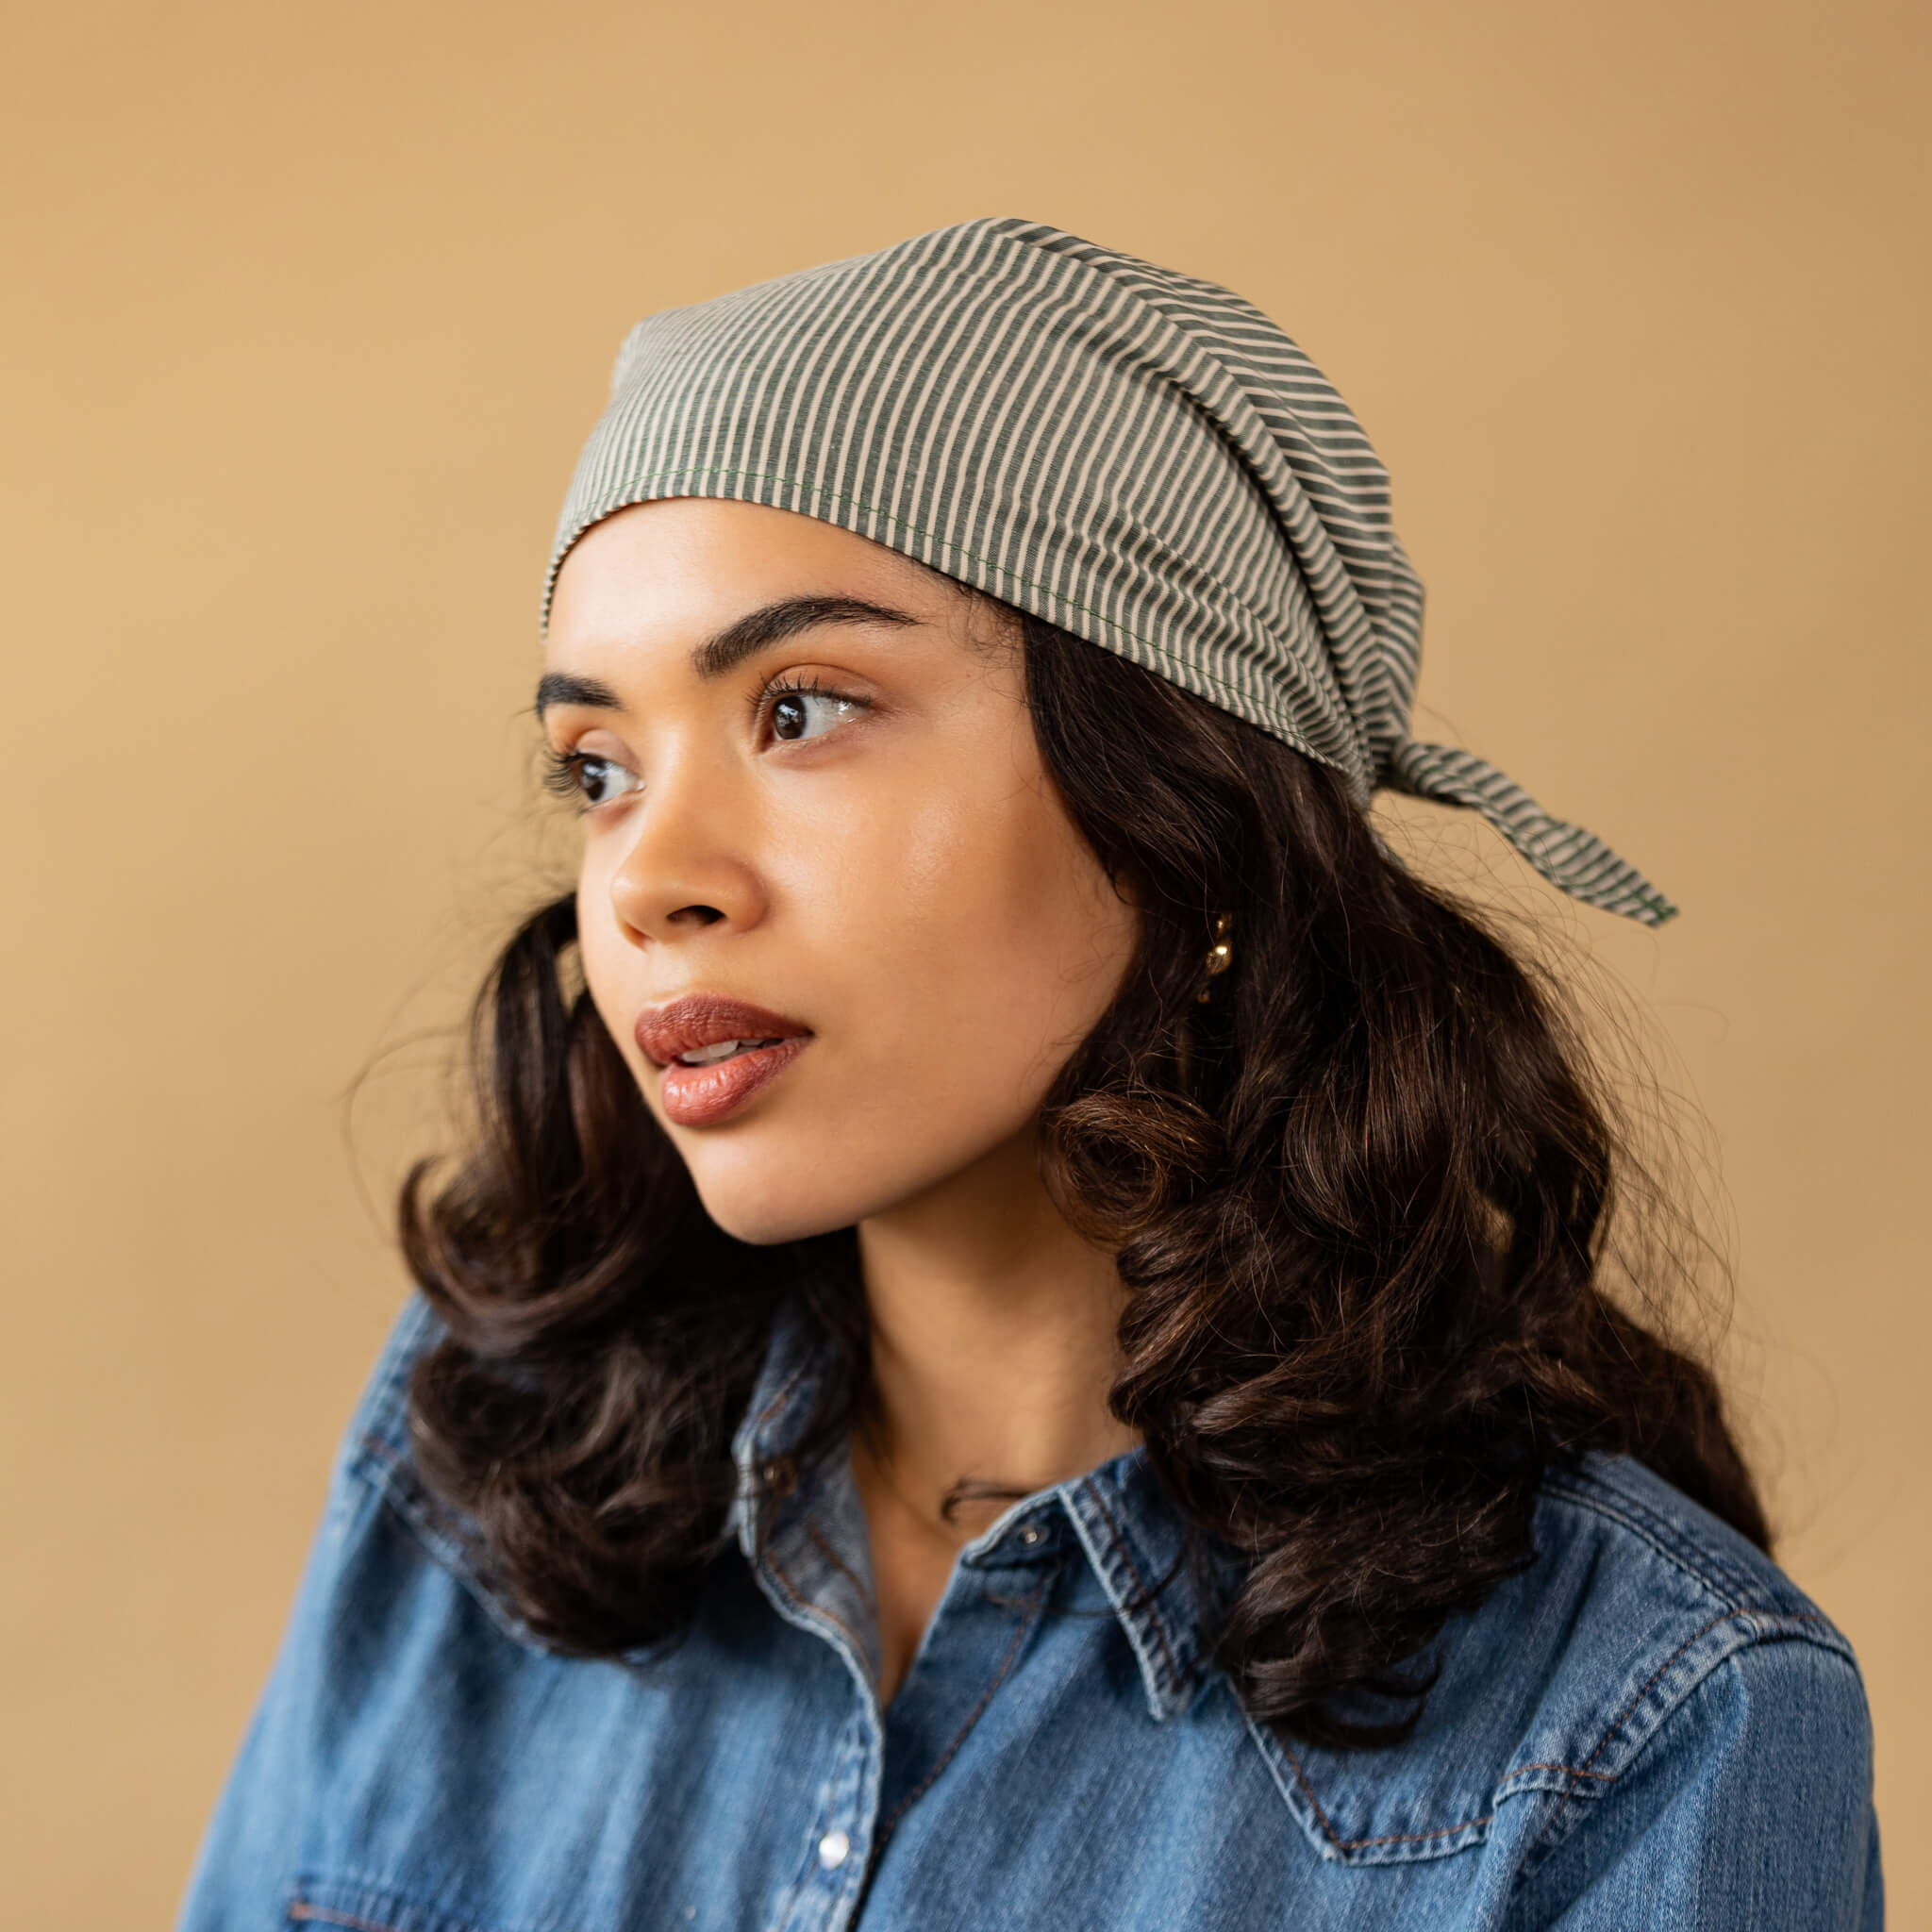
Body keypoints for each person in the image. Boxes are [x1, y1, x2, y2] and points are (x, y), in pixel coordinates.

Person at [176, 217, 1881, 1931]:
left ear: (1185, 813)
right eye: (600, 767)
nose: (645, 881)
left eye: (805, 708)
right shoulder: (485, 1465)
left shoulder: (1651, 1717)